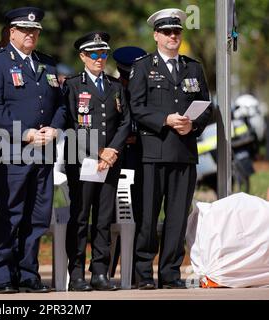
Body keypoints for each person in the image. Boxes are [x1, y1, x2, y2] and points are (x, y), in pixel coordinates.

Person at [0, 6, 66, 294]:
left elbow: (61, 104)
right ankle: (2, 275)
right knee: (10, 214)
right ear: (12, 33)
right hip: (12, 151)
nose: (30, 35)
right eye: (25, 31)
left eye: (35, 31)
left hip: (44, 151)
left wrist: (55, 127)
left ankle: (28, 273)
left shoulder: (48, 64)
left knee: (37, 217)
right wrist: (24, 134)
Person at [128, 8, 212, 290]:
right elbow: (136, 107)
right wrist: (164, 119)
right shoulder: (142, 67)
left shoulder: (193, 67)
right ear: (156, 36)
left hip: (184, 153)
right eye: (166, 32)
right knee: (148, 216)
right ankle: (143, 273)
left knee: (176, 217)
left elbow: (206, 107)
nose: (172, 36)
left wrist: (194, 126)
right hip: (153, 152)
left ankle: (170, 272)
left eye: (176, 31)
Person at [64, 32, 130, 291]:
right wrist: (98, 151)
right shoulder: (72, 85)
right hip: (83, 161)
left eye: (103, 54)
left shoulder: (115, 86)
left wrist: (112, 151)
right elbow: (70, 123)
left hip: (110, 162)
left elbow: (126, 121)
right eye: (94, 54)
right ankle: (77, 273)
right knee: (80, 217)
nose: (99, 59)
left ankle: (100, 272)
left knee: (103, 218)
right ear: (83, 56)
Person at [110, 46, 146, 285]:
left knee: (140, 214)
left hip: (140, 159)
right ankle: (109, 268)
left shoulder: (146, 89)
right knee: (114, 216)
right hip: (117, 159)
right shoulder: (113, 90)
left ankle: (135, 271)